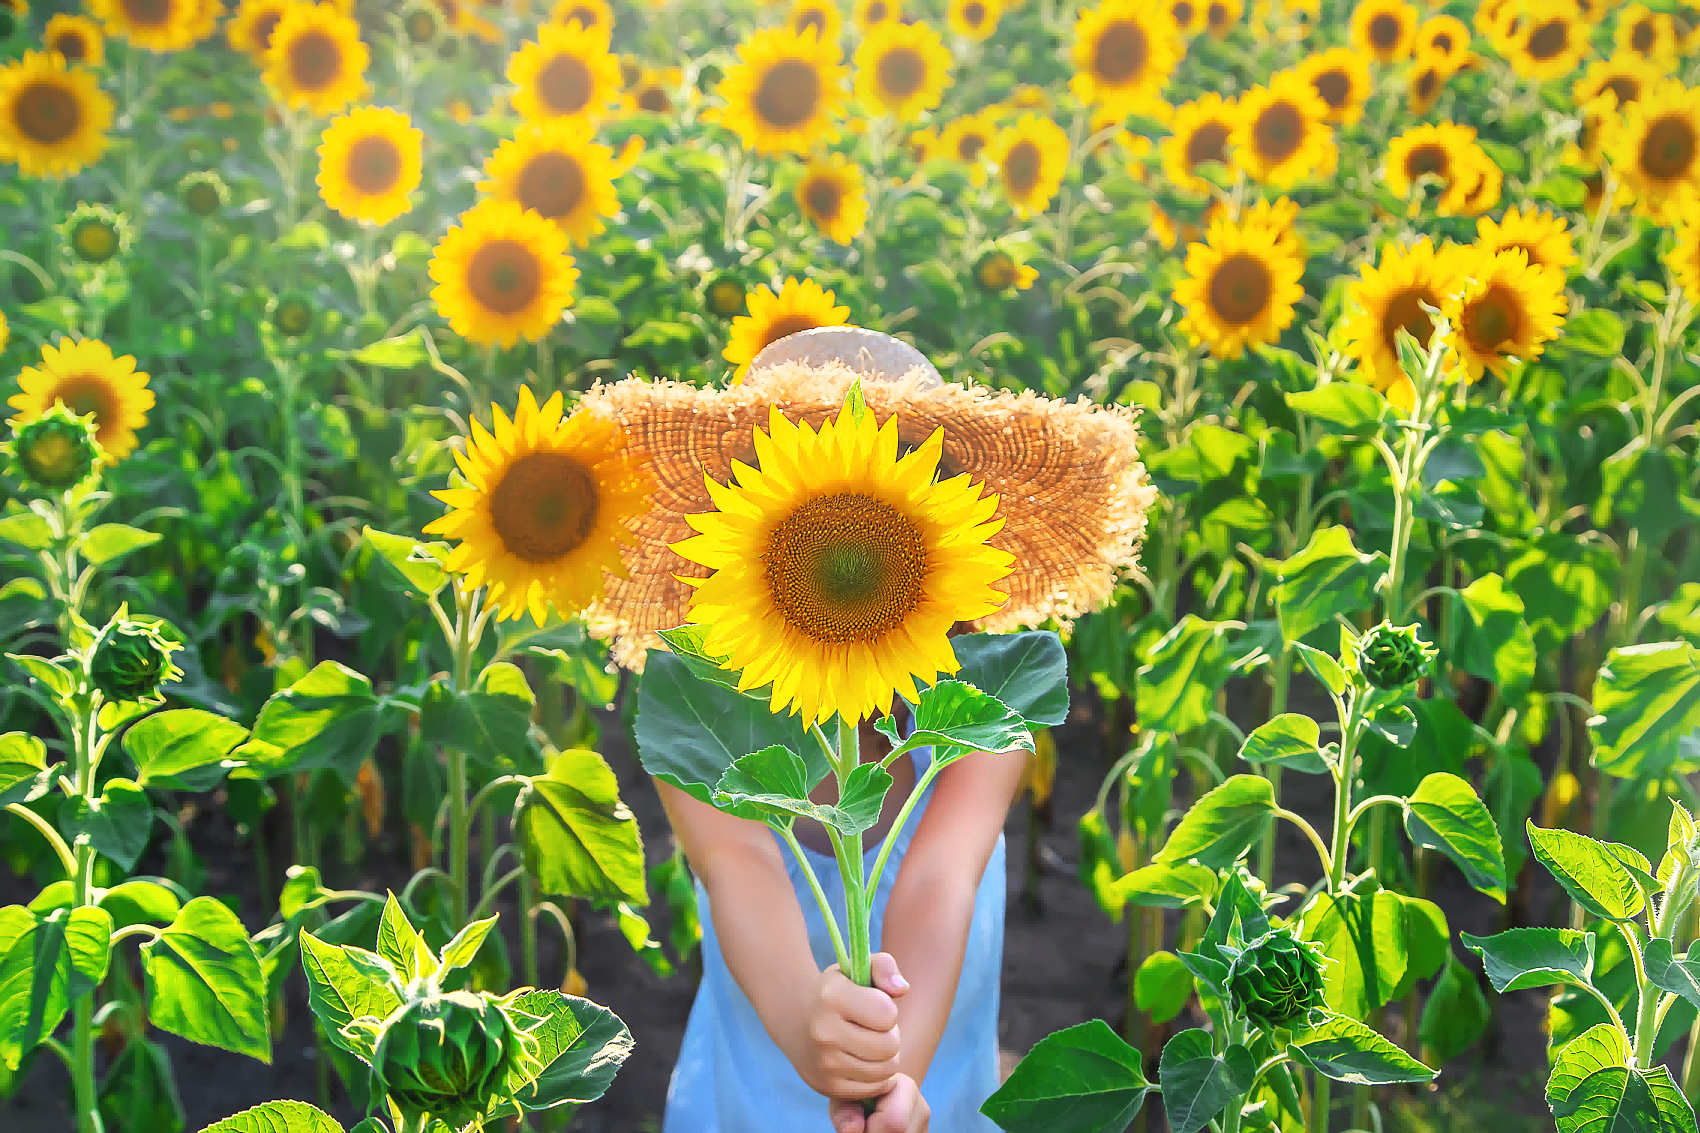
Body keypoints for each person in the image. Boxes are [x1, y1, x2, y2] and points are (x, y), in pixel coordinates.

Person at [656, 650, 1027, 1133]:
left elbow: (940, 878)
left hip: (929, 1071)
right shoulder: (693, 699)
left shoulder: (995, 680)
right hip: (759, 1088)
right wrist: (804, 1028)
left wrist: (889, 1090)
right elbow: (739, 867)